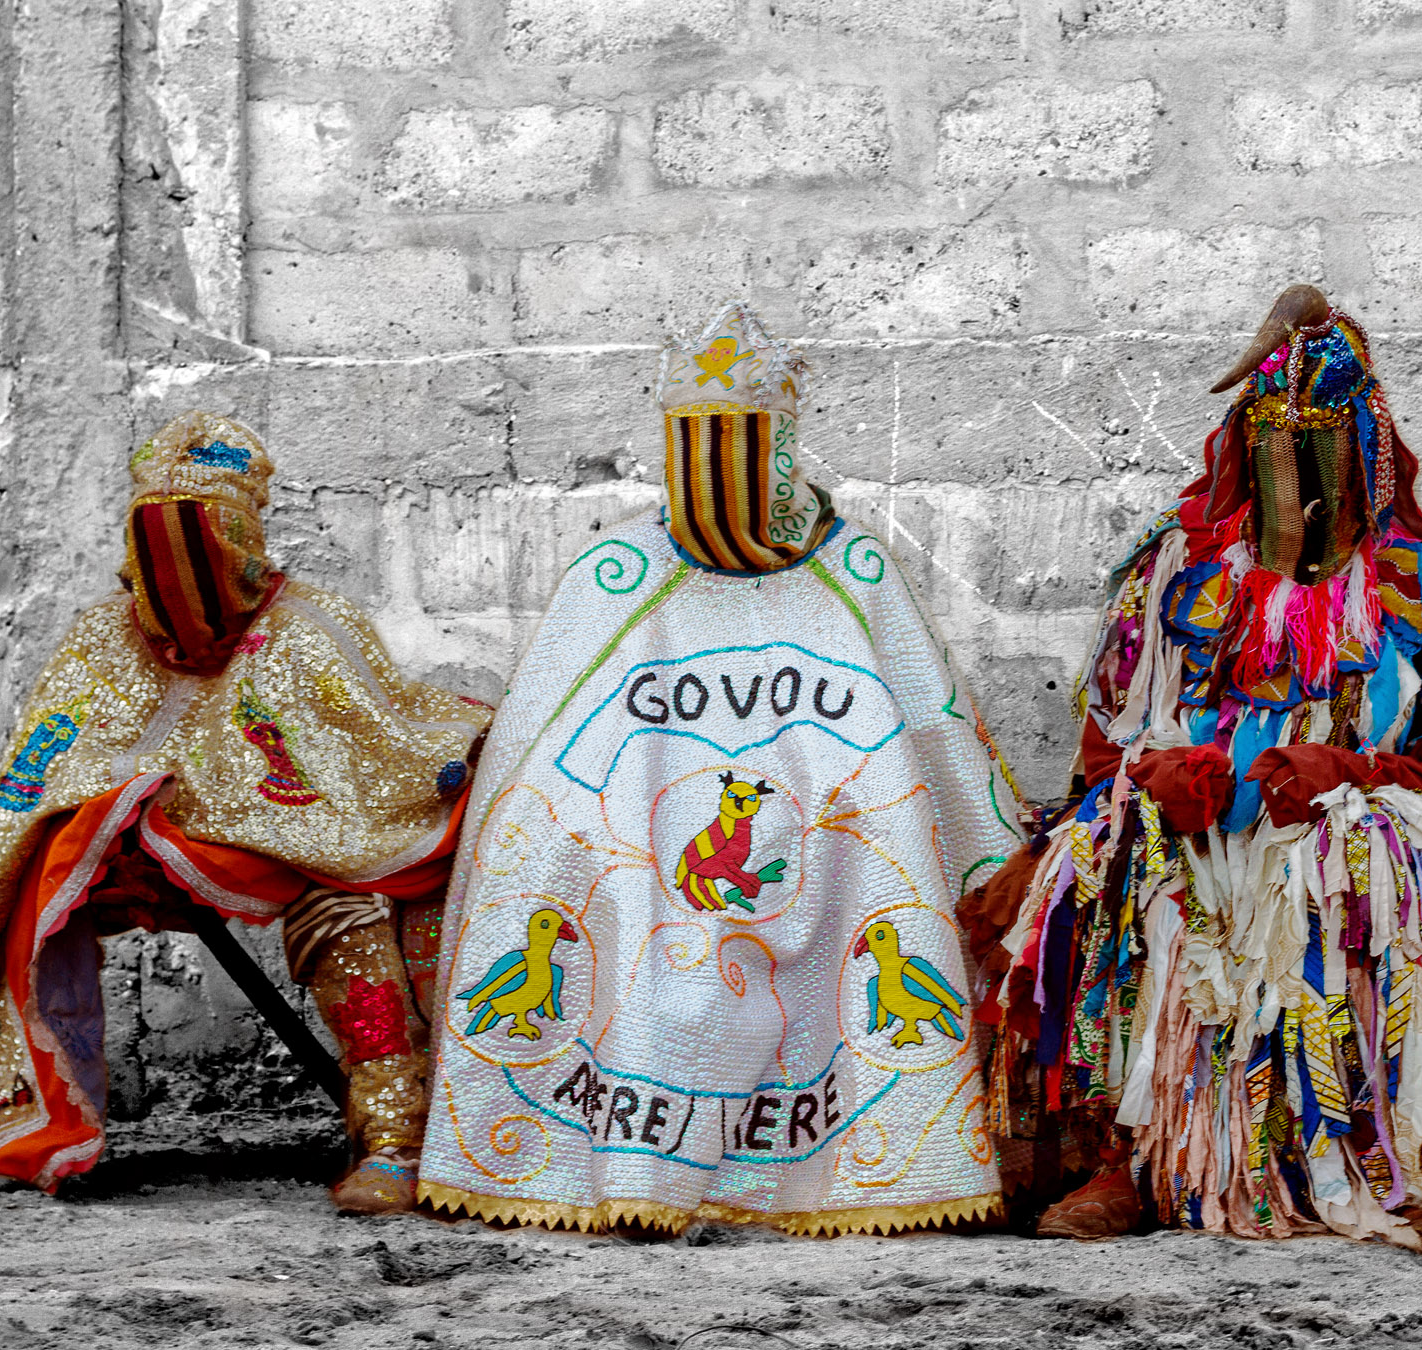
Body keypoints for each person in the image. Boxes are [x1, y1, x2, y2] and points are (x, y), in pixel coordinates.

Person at [961, 286, 1422, 1249]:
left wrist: (1354, 772)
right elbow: (1101, 761)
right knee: (1107, 855)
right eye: (1271, 439)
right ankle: (1124, 1159)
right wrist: (1151, 780)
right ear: (1238, 445)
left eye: (1322, 440)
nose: (1294, 468)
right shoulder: (1168, 581)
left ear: (1367, 449)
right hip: (1197, 837)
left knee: (1378, 862)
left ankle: (1396, 1160)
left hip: (1352, 840)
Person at [420, 302, 1024, 1235]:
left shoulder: (855, 570)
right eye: (696, 445)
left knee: (879, 867)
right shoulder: (616, 570)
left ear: (781, 447)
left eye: (742, 445)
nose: (719, 475)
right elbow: (540, 754)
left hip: (837, 857)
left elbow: (926, 740)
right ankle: (633, 1168)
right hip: (645, 863)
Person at [0, 411, 493, 1212]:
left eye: (206, 542)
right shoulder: (100, 639)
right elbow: (38, 776)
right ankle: (31, 1117)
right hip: (129, 855)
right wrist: (120, 805)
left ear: (245, 542)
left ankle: (393, 1134)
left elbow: (372, 764)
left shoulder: (315, 627)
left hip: (283, 853)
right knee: (19, 887)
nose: (183, 570)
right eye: (156, 544)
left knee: (348, 896)